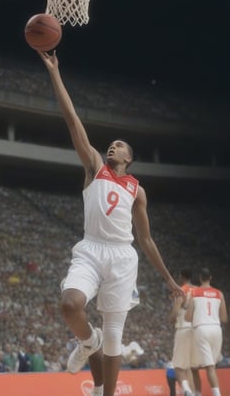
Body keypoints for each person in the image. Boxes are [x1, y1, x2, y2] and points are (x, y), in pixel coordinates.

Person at [38, 50, 183, 396]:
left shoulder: (138, 190)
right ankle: (88, 341)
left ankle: (105, 392)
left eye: (119, 146)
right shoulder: (93, 166)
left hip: (122, 256)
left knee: (116, 335)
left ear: (128, 158)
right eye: (111, 144)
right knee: (70, 304)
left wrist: (168, 279)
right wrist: (55, 72)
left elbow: (146, 240)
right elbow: (72, 119)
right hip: (90, 249)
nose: (112, 147)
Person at [185, 267, 228, 396]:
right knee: (211, 366)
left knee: (207, 367)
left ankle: (216, 394)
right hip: (216, 329)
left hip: (201, 329)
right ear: (210, 278)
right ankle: (200, 393)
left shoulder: (194, 293)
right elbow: (224, 318)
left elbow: (187, 317)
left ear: (199, 278)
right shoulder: (219, 294)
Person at [170, 268, 199, 396]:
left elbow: (176, 312)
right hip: (197, 329)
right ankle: (195, 393)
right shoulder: (198, 291)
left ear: (182, 276)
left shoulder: (181, 290)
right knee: (192, 368)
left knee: (178, 365)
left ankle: (187, 391)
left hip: (183, 328)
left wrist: (171, 318)